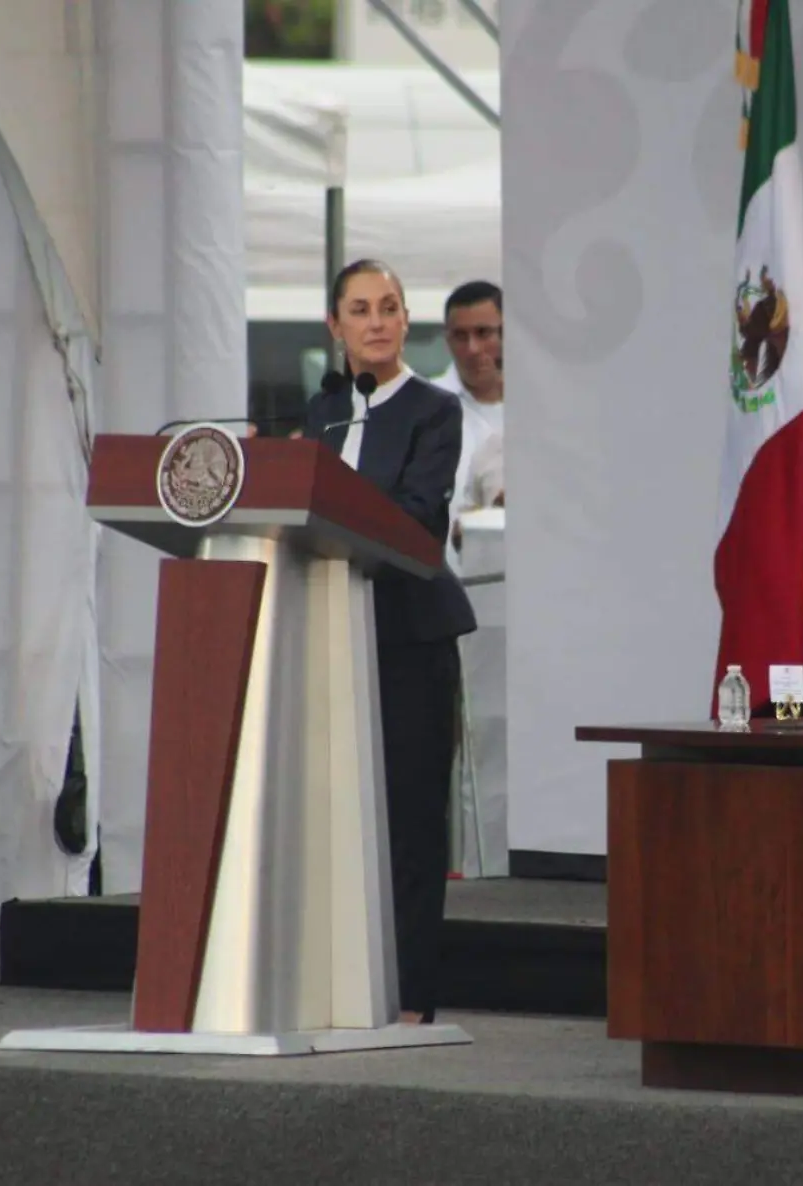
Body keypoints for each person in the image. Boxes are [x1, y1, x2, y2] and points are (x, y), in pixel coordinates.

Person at [306, 258, 477, 1024]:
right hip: (320, 636)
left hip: (405, 635)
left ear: (407, 321)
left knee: (408, 819)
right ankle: (328, 985)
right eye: (360, 309)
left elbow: (415, 519)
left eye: (390, 307)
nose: (376, 321)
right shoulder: (316, 417)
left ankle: (410, 997)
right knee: (327, 816)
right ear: (335, 326)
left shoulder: (433, 411)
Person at [429, 280, 504, 566]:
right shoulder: (426, 409)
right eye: (461, 336)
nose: (473, 349)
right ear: (447, 340)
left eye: (484, 333)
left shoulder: (544, 411)